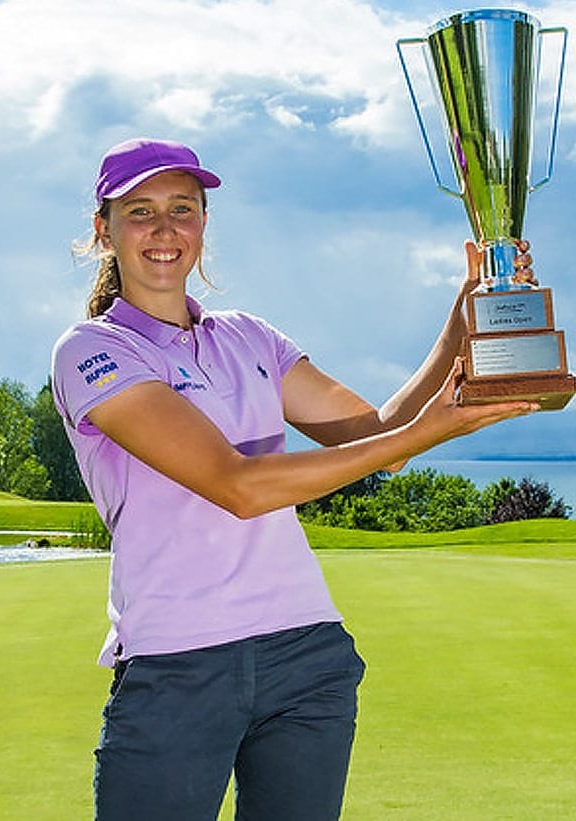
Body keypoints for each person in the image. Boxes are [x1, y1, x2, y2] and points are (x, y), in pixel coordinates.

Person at [51, 137, 540, 820]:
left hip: (305, 653)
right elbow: (238, 486)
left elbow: (377, 437)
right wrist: (423, 432)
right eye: (140, 212)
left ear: (203, 223)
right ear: (104, 230)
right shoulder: (94, 351)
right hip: (177, 660)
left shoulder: (249, 336)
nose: (164, 229)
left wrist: (463, 320)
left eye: (182, 209)